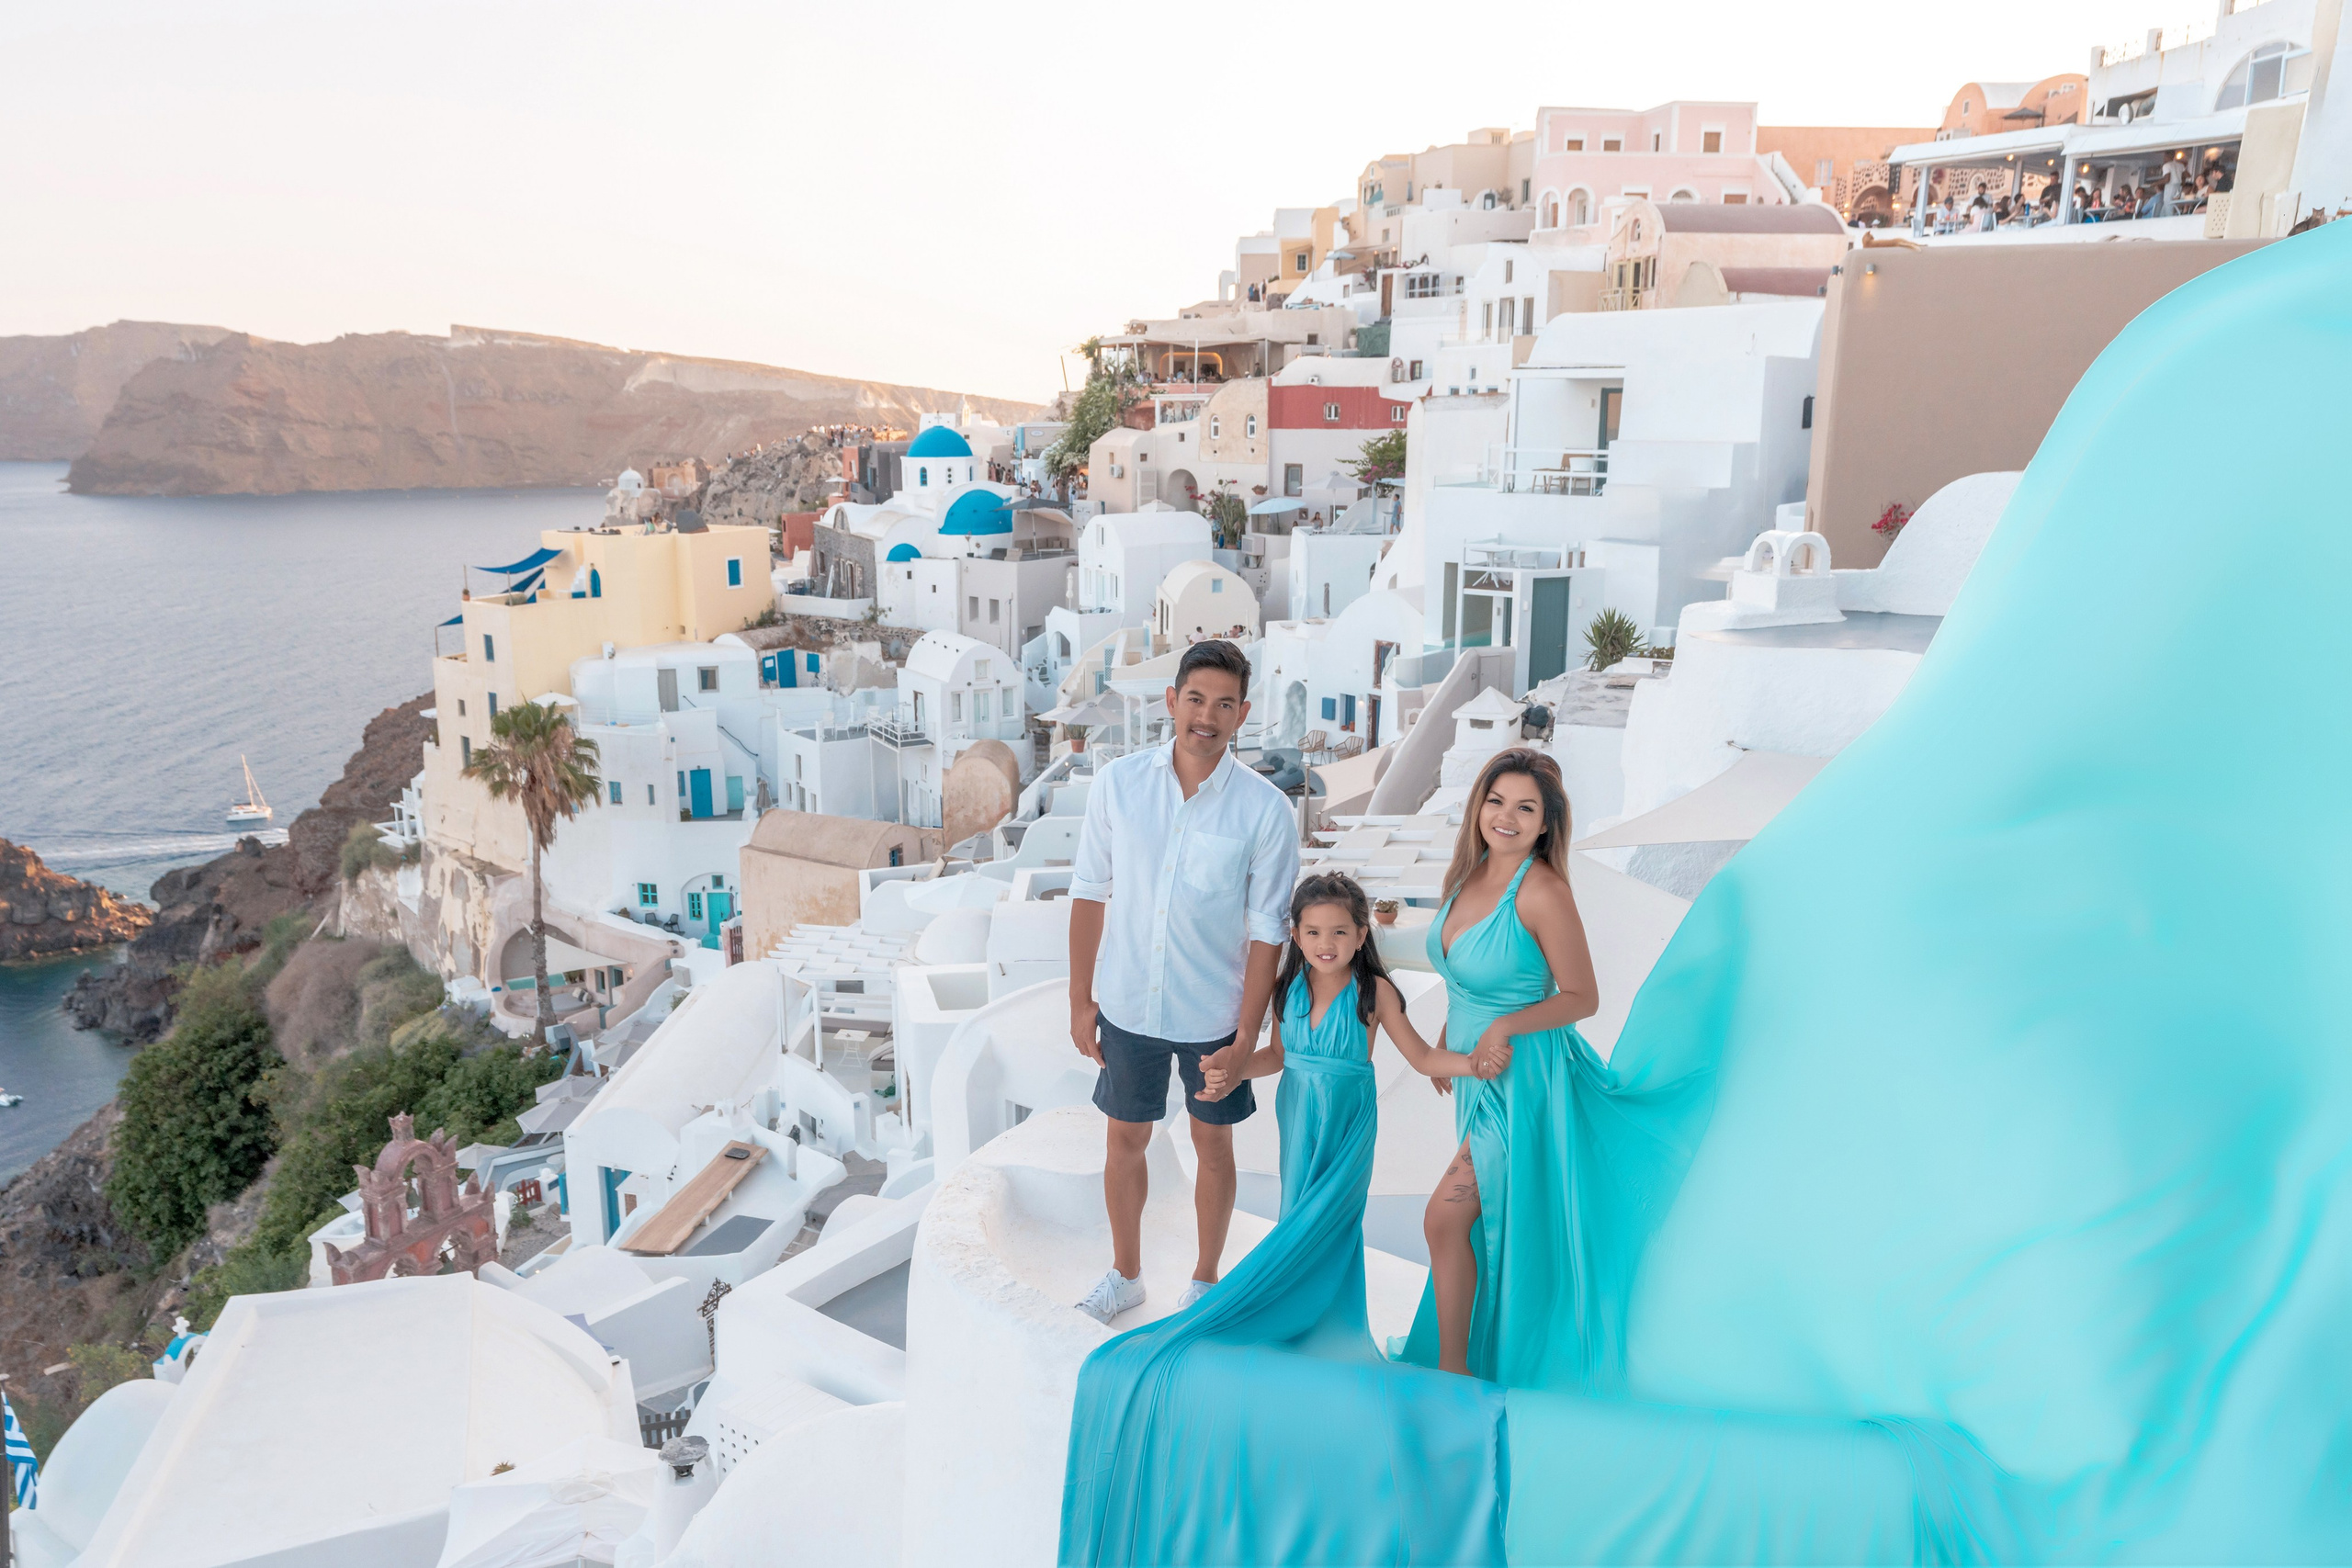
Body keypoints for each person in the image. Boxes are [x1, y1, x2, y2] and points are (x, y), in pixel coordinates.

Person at [1059, 874, 1510, 1566]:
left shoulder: (1374, 993)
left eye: (1339, 931)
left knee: (1322, 1228)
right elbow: (1276, 1055)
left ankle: (1300, 1318)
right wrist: (1232, 1071)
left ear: (1363, 934)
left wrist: (1473, 1063)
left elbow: (1420, 1056)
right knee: (1298, 1216)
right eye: (1312, 932)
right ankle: (1301, 1319)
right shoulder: (1286, 991)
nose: (1326, 944)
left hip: (1349, 1121)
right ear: (1295, 937)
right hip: (1301, 1117)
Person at [1067, 638, 1298, 1326]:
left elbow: (1267, 933)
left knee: (1214, 1145)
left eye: (1224, 704)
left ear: (1243, 714)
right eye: (1195, 699)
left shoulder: (1265, 812)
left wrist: (1247, 1035)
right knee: (1123, 1142)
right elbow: (1088, 892)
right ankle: (1126, 1274)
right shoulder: (1118, 785)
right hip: (1131, 1002)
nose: (1207, 715)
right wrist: (1080, 1000)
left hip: (1213, 1014)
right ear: (1172, 701)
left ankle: (1203, 1280)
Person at [1396, 747, 1602, 1383]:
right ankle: (1477, 1359)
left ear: (1547, 822)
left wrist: (1502, 1025)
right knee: (1487, 1227)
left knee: (1445, 1217)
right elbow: (1468, 976)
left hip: (1523, 1082)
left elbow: (1582, 997)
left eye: (1526, 807)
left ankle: (1454, 1373)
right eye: (1496, 800)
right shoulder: (1469, 873)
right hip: (1478, 1072)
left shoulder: (1541, 889)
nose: (1506, 817)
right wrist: (1449, 1040)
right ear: (1478, 804)